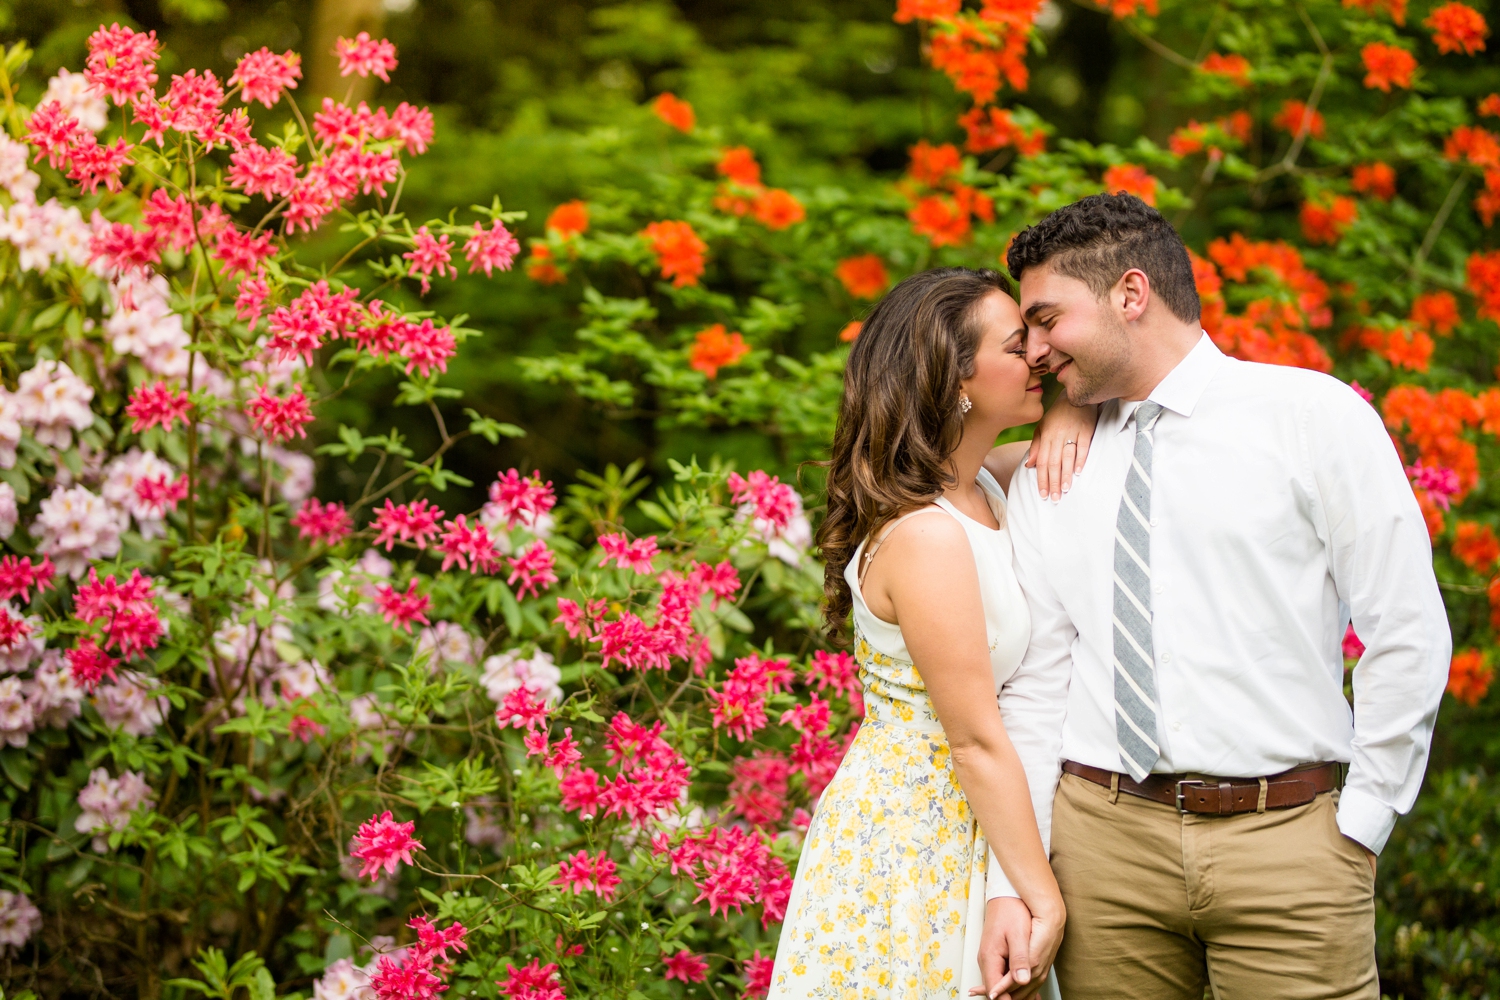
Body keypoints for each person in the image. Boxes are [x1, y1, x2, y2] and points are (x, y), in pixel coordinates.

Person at [982, 192, 1451, 999]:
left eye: (1047, 319)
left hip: (1289, 847)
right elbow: (1038, 686)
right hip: (1103, 850)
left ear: (1132, 294)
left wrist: (1363, 824)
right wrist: (1014, 878)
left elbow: (1405, 628)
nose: (1032, 349)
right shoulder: (1055, 465)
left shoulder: (1313, 417)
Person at [766, 267, 1095, 1000]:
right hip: (916, 832)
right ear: (956, 382)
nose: (1040, 354)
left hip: (977, 818)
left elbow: (1076, 445)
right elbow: (974, 741)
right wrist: (1043, 897)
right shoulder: (927, 538)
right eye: (1018, 346)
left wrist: (1068, 411)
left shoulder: (986, 489)